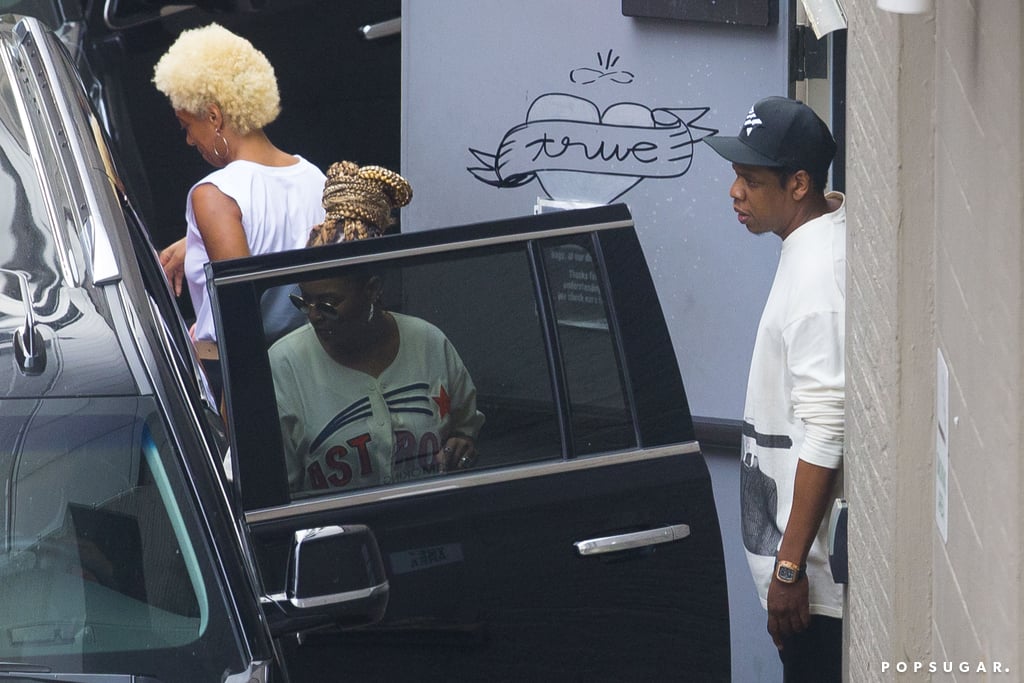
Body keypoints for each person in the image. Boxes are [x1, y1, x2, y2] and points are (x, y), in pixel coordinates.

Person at [704, 96, 845, 682]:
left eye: (750, 178)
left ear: (799, 184)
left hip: (813, 590)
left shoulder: (818, 277)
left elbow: (830, 426)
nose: (734, 192)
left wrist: (788, 569)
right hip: (802, 579)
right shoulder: (814, 238)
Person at [269, 161, 484, 493]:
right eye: (304, 301)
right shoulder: (283, 366)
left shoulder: (428, 342)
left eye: (328, 303)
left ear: (372, 290)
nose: (313, 315)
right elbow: (273, 493)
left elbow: (465, 426)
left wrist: (461, 443)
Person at [152, 23, 326, 399]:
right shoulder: (314, 176)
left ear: (214, 117)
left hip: (250, 389)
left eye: (187, 125)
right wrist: (197, 242)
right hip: (320, 375)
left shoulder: (214, 195)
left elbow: (239, 326)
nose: (187, 140)